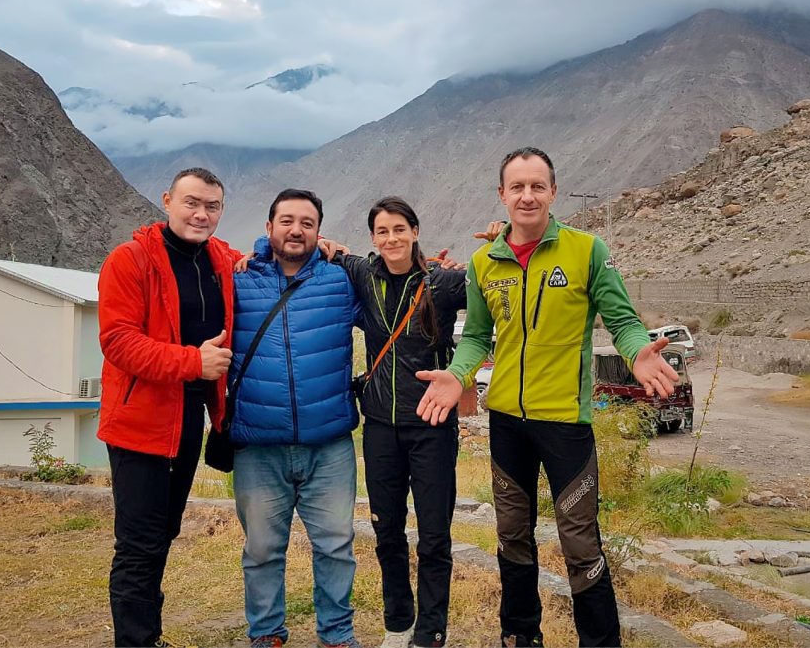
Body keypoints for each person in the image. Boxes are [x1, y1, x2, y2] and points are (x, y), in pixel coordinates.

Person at [415, 147, 678, 647]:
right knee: (512, 537)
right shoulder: (483, 263)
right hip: (508, 424)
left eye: (537, 185)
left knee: (580, 544)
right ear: (502, 195)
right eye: (517, 186)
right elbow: (475, 336)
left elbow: (620, 320)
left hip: (565, 425)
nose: (527, 195)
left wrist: (638, 350)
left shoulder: (587, 251)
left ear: (553, 192)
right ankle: (520, 637)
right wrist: (458, 373)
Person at [97, 167, 238, 648]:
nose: (201, 214)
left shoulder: (220, 259)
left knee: (163, 533)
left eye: (212, 206)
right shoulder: (129, 260)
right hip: (138, 426)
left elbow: (268, 256)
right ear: (167, 201)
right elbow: (118, 342)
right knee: (138, 544)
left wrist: (328, 247)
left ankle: (147, 635)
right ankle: (135, 641)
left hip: (187, 425)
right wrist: (191, 362)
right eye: (192, 203)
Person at [229, 188, 362, 648]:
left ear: (319, 232)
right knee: (262, 550)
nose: (296, 229)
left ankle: (337, 634)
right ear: (268, 228)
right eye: (286, 220)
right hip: (257, 447)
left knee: (336, 547)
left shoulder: (340, 280)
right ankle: (266, 634)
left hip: (329, 445)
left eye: (307, 222)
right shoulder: (238, 281)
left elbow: (392, 299)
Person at [333, 197, 467, 648]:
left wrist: (498, 243)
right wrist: (253, 251)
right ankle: (398, 622)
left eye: (398, 229)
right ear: (373, 237)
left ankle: (430, 630)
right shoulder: (362, 274)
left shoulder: (443, 283)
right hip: (379, 428)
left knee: (434, 535)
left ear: (414, 230)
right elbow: (322, 248)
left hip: (431, 424)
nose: (390, 238)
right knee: (386, 531)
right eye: (382, 231)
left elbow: (496, 290)